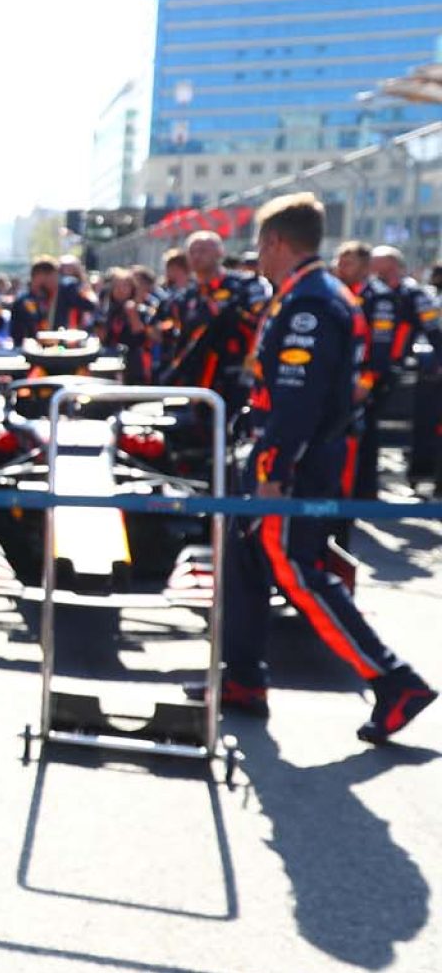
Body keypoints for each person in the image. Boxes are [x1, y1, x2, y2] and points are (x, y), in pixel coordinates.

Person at [214, 193, 434, 742]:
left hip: (294, 466)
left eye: (260, 247)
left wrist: (272, 471)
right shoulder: (306, 294)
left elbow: (298, 402)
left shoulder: (310, 302)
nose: (257, 258)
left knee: (297, 569)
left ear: (275, 243)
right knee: (244, 560)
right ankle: (242, 679)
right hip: (281, 456)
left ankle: (393, 679)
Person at [354, 245, 442, 500]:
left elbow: (434, 330)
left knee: (370, 428)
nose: (372, 270)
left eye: (377, 265)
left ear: (391, 266)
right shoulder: (367, 292)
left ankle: (369, 487)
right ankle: (362, 485)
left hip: (388, 371)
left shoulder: (415, 295)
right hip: (363, 368)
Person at [160, 229, 267, 411]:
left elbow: (259, 325)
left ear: (220, 252)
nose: (197, 256)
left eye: (203, 250)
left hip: (234, 378)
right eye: (192, 251)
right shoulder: (184, 297)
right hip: (194, 382)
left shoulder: (245, 286)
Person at [8, 257, 56, 343]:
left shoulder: (45, 298)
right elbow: (32, 329)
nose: (54, 281)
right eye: (52, 277)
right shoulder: (25, 301)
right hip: (27, 350)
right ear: (40, 276)